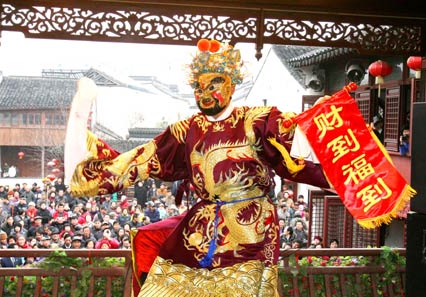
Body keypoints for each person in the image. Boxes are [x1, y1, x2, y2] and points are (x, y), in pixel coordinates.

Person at [66, 39, 331, 296]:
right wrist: (89, 170)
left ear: (231, 83)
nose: (205, 93)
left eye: (214, 83)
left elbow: (295, 146)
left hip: (252, 229)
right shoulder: (187, 130)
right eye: (198, 85)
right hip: (202, 229)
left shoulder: (257, 120)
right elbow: (142, 159)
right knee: (165, 289)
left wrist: (319, 122)